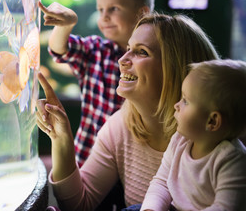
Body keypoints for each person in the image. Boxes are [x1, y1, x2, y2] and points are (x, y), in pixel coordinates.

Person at [36, 13, 220, 211]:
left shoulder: (213, 137)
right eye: (128, 49)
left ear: (175, 68)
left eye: (141, 52)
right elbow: (79, 204)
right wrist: (61, 139)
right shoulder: (120, 126)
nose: (122, 59)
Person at [38, 0, 155, 166]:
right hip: (89, 157)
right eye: (101, 10)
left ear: (142, 13)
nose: (104, 17)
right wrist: (66, 25)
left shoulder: (155, 59)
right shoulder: (96, 50)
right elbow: (59, 49)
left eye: (113, 9)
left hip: (135, 163)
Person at [140, 59, 246, 211]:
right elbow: (162, 182)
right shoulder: (180, 141)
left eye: (185, 101)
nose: (176, 105)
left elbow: (224, 207)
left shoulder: (232, 161)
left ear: (212, 121)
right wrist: (151, 209)